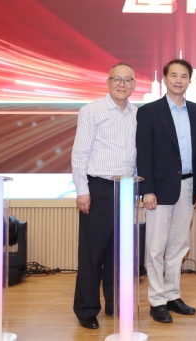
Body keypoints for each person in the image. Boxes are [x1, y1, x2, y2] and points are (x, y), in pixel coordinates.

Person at [137, 59, 196, 323]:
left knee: (179, 245)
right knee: (156, 247)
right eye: (174, 75)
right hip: (159, 189)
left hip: (188, 186)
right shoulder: (149, 112)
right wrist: (147, 189)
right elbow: (144, 153)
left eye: (183, 76)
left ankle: (172, 294)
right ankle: (157, 300)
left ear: (189, 80)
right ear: (165, 79)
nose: (178, 80)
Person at [71, 63, 138, 330]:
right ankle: (87, 309)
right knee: (92, 253)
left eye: (128, 80)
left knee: (120, 253)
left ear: (134, 85)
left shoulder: (137, 113)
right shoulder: (91, 111)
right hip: (98, 188)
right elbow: (80, 153)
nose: (122, 84)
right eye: (117, 79)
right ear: (108, 82)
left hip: (127, 188)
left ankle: (115, 304)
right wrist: (82, 190)